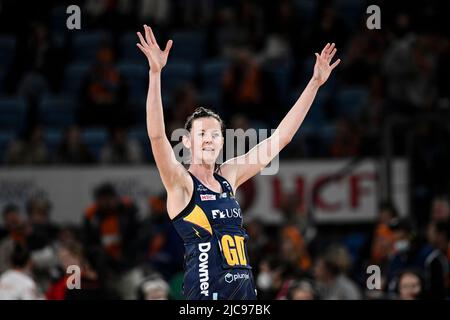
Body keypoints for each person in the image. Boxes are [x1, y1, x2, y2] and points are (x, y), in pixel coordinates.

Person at [136, 24, 340, 300]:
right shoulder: (181, 184)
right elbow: (157, 136)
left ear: (222, 141)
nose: (209, 139)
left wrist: (314, 83)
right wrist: (155, 73)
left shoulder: (228, 177)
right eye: (202, 134)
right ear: (186, 141)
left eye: (215, 134)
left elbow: (280, 139)